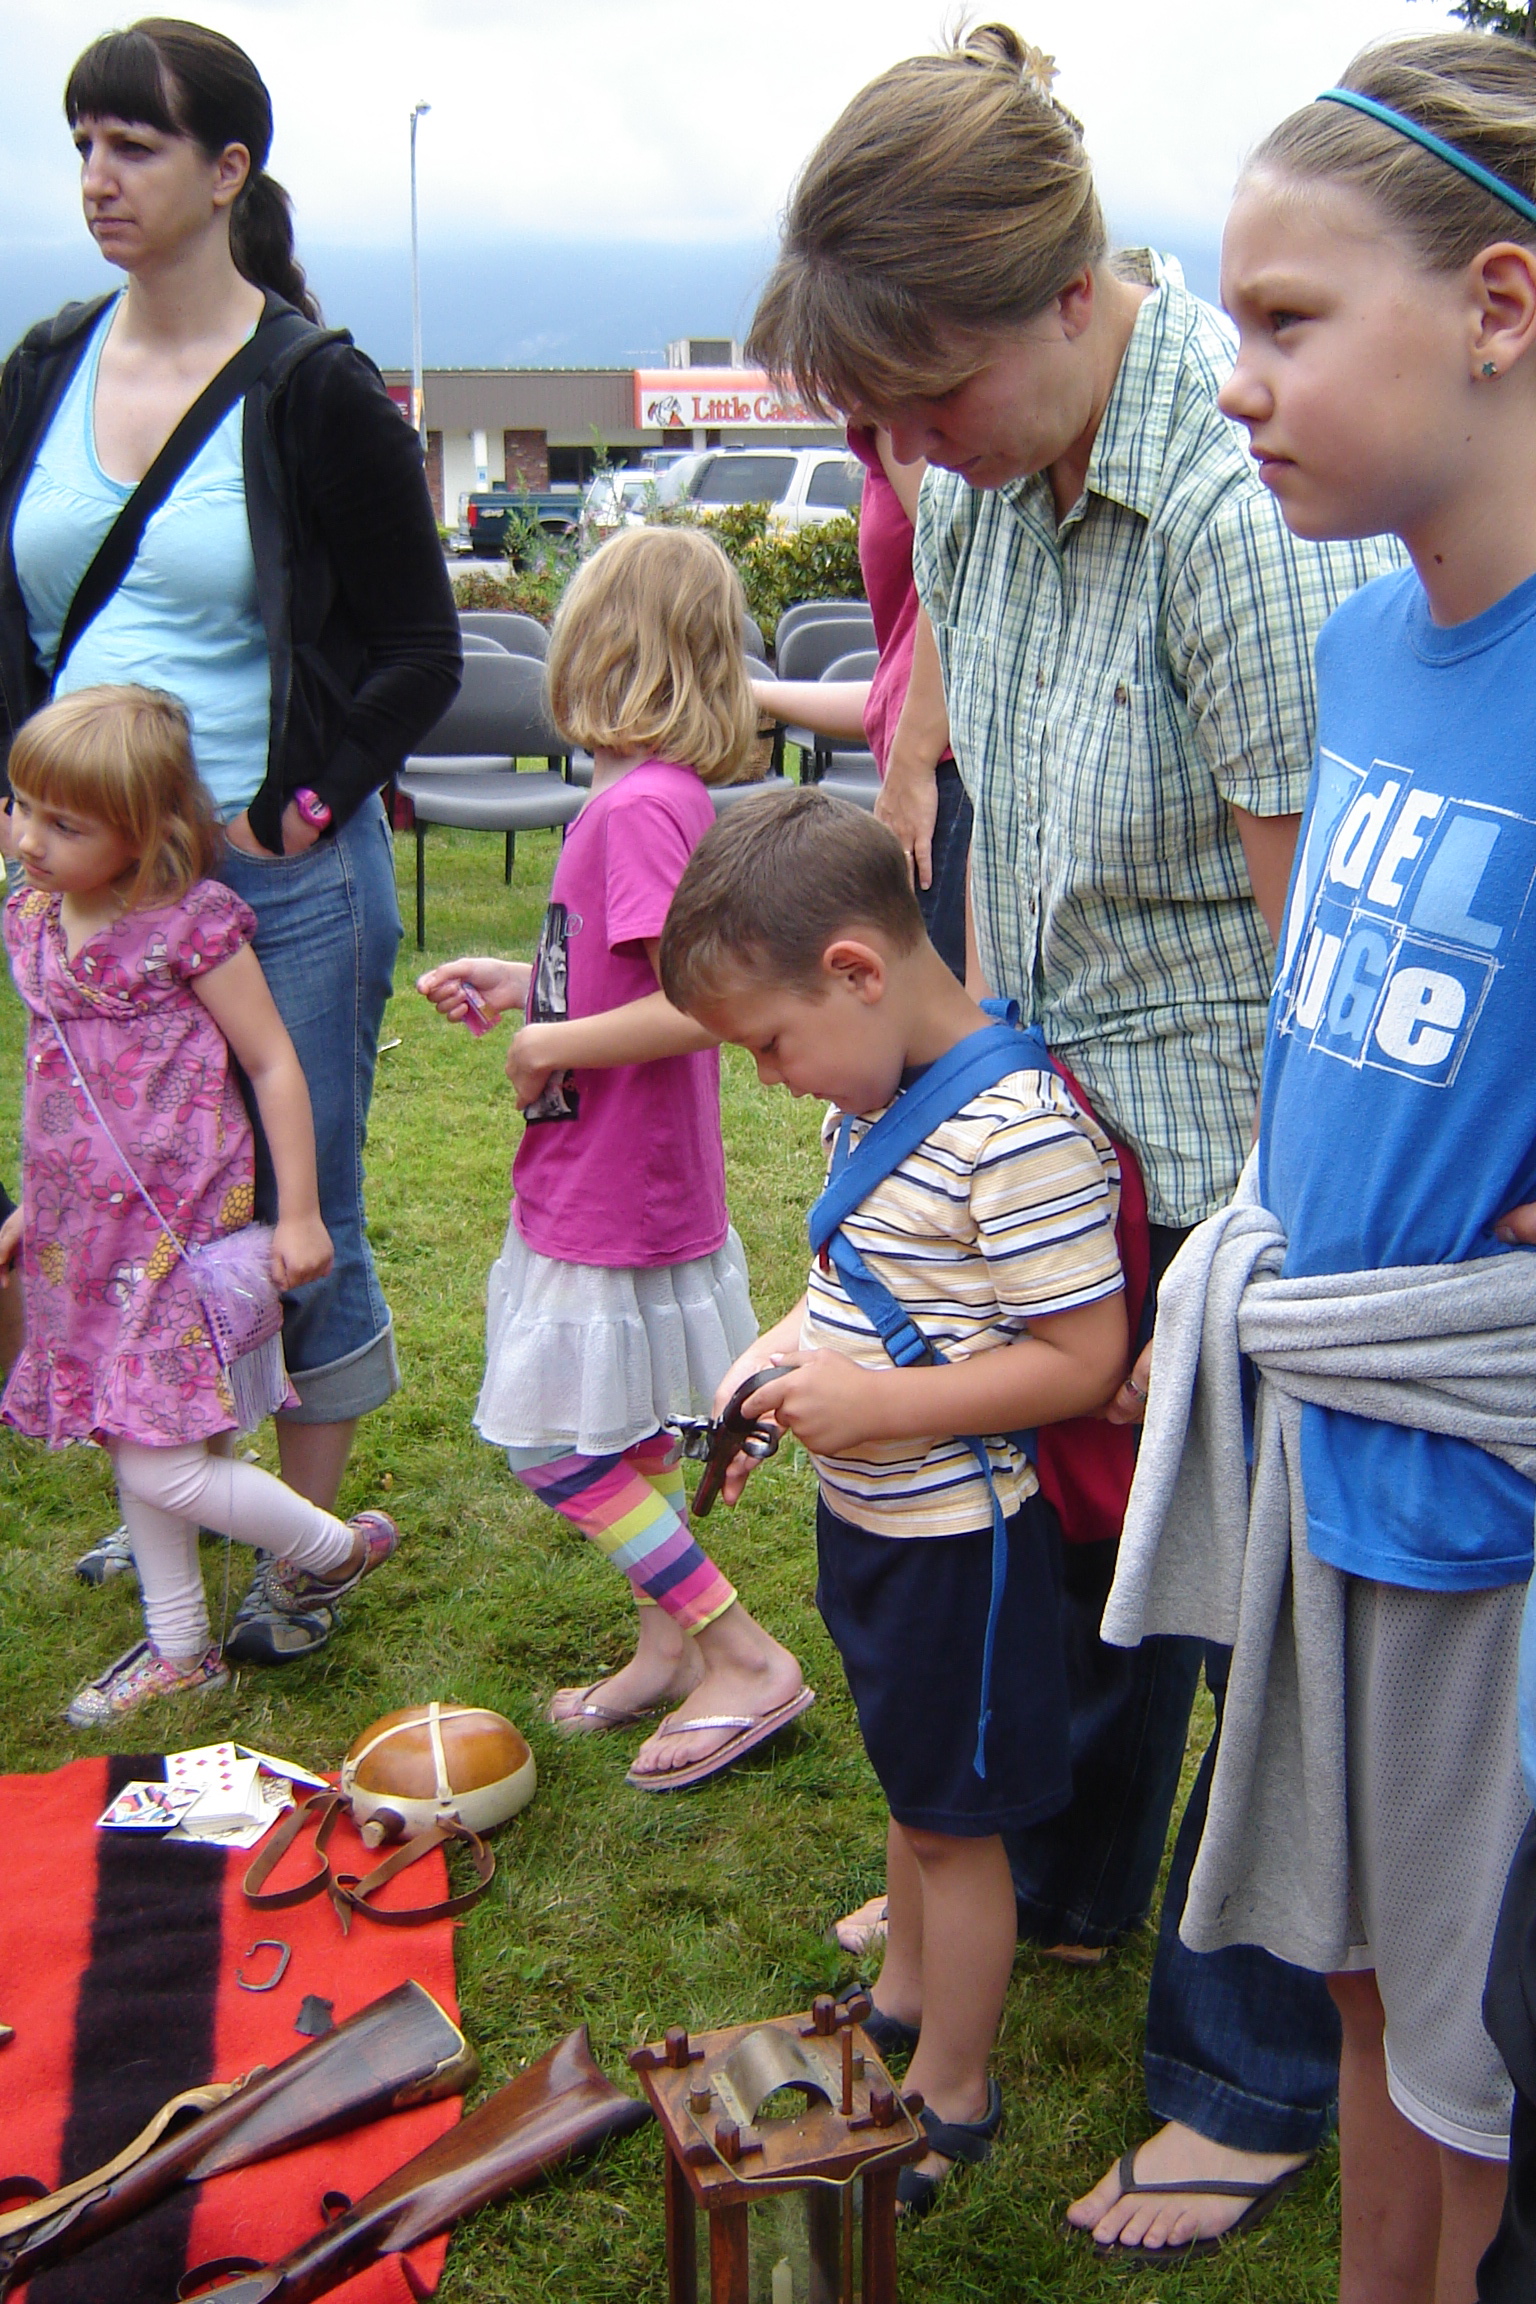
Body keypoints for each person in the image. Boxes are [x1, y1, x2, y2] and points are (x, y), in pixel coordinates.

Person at [745, 20, 1413, 2254]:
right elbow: (976, 805)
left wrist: (1232, 1270)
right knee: (1087, 1557)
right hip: (1059, 1133)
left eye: (924, 395)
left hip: (1246, 1169)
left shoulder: (1236, 509)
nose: (904, 450)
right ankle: (1054, 1879)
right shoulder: (971, 468)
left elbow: (1321, 959)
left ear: (1066, 294)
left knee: (1270, 1636)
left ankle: (1245, 2073)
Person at [1105, 33, 1536, 2300]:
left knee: (1486, 2073)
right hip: (1329, 1453)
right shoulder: (1367, 640)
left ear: (1496, 307)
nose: (1232, 378)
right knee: (1361, 1986)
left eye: (1284, 319)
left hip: (1494, 1498)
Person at [0, 20, 460, 1644]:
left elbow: (419, 650)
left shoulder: (314, 389)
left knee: (291, 1197)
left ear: (227, 171)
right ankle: (184, 1482)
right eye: (82, 143)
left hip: (279, 886)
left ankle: (296, 1558)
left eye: (134, 144)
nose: (98, 176)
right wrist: (27, 809)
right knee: (133, 1198)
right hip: (92, 890)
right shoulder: (46, 366)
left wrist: (296, 805)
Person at [657, 782, 1127, 2211]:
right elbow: (852, 1287)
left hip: (960, 1555)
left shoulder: (1018, 1131)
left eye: (769, 1043)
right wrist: (776, 1357)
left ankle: (954, 2090)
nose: (768, 1077)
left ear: (856, 971)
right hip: (875, 1531)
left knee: (956, 1829)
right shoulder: (872, 1098)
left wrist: (877, 1408)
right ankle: (908, 1995)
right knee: (915, 1788)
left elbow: (1083, 1360)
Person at [417, 527, 811, 1790]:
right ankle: (666, 1655)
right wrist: (526, 984)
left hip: (614, 1182)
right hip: (620, 1172)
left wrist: (546, 1041)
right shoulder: (655, 798)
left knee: (558, 1447)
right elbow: (625, 975)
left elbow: (700, 1004)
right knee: (627, 1431)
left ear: (600, 648)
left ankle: (738, 1651)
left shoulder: (640, 807)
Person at [0, 686, 398, 1724]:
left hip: (173, 1239)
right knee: (131, 1436)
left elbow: (272, 1063)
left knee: (165, 1465)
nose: (29, 839)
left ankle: (332, 1549)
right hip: (80, 1244)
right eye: (20, 807)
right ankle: (180, 1648)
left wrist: (300, 1212)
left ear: (144, 832)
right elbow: (58, 1082)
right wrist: (39, 1208)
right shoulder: (33, 917)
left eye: (64, 823)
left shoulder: (191, 930)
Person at [748, 428, 971, 979]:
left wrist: (912, 765)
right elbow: (893, 695)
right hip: (937, 768)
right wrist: (756, 693)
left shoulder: (902, 429)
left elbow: (957, 565)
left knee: (941, 1009)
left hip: (946, 775)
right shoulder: (882, 435)